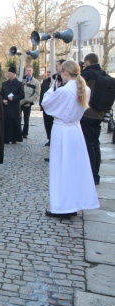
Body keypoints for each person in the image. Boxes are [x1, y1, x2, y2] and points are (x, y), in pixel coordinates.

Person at [41, 60, 99, 217]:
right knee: (73, 169)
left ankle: (62, 206)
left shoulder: (64, 91)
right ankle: (73, 204)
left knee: (61, 169)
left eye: (61, 72)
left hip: (62, 130)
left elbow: (46, 104)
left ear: (65, 72)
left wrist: (53, 86)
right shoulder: (85, 89)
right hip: (75, 130)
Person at [81, 53, 106, 185]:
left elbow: (80, 93)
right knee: (96, 144)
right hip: (100, 113)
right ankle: (96, 174)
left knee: (88, 145)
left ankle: (90, 174)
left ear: (87, 62)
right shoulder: (103, 73)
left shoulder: (88, 74)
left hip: (88, 113)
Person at [1, 66, 25, 144]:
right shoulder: (4, 84)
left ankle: (14, 138)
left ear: (14, 74)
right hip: (6, 106)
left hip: (14, 107)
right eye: (7, 73)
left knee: (14, 122)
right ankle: (6, 139)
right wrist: (2, 100)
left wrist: (14, 98)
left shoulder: (19, 84)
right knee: (6, 123)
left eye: (10, 73)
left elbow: (22, 95)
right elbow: (1, 94)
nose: (8, 75)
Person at [20, 66, 40, 139]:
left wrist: (29, 99)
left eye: (29, 70)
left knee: (26, 119)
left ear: (32, 71)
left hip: (27, 103)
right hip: (19, 102)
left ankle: (25, 133)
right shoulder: (21, 80)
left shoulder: (36, 82)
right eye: (27, 70)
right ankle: (19, 132)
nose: (28, 72)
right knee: (18, 118)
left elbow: (37, 93)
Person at [40, 70, 53, 145]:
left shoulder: (55, 82)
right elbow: (42, 93)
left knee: (51, 123)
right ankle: (49, 138)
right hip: (45, 105)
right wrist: (40, 104)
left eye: (50, 72)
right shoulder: (45, 82)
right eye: (47, 72)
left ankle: (52, 138)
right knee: (47, 123)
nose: (48, 73)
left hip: (52, 106)